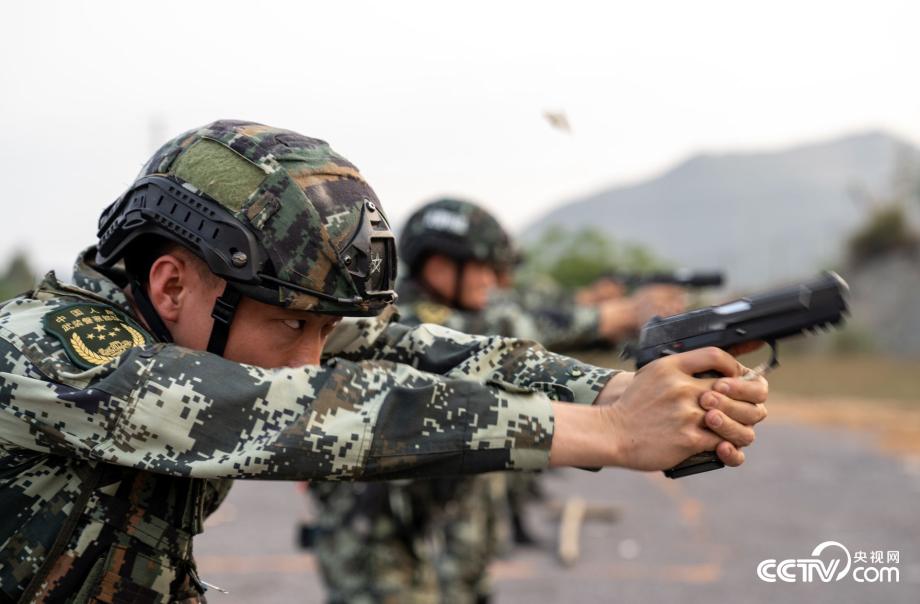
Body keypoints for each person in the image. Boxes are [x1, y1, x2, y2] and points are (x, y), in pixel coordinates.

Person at [0, 120, 768, 603]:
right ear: (171, 284)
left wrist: (614, 387)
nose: (310, 360)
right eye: (290, 326)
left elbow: (418, 346)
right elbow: (306, 415)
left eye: (324, 331)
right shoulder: (51, 353)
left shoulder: (214, 323)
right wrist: (615, 436)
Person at [308, 199, 703, 604]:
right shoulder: (402, 316)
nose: (493, 282)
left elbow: (515, 315)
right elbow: (492, 331)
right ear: (441, 266)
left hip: (423, 526)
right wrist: (616, 314)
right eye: (484, 268)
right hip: (371, 535)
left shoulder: (452, 310)